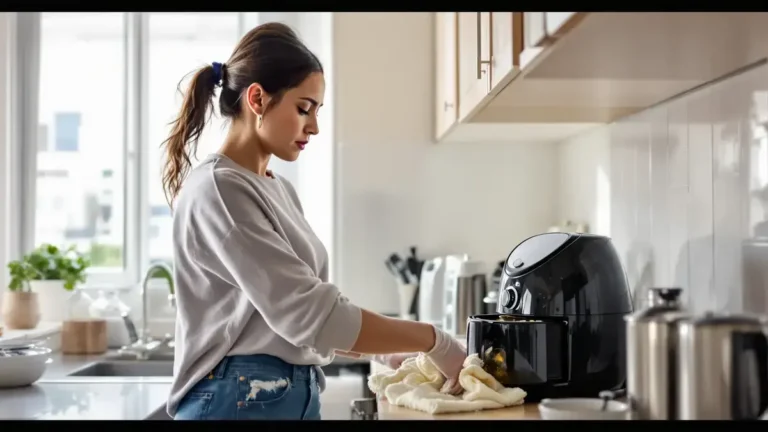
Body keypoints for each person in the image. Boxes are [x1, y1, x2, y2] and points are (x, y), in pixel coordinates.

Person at [161, 22, 466, 421]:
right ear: (257, 99)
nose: (314, 126)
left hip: (281, 395)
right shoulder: (220, 190)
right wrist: (434, 340)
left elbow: (300, 314)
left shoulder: (277, 190)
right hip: (238, 397)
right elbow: (308, 314)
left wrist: (387, 348)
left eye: (317, 111)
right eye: (303, 108)